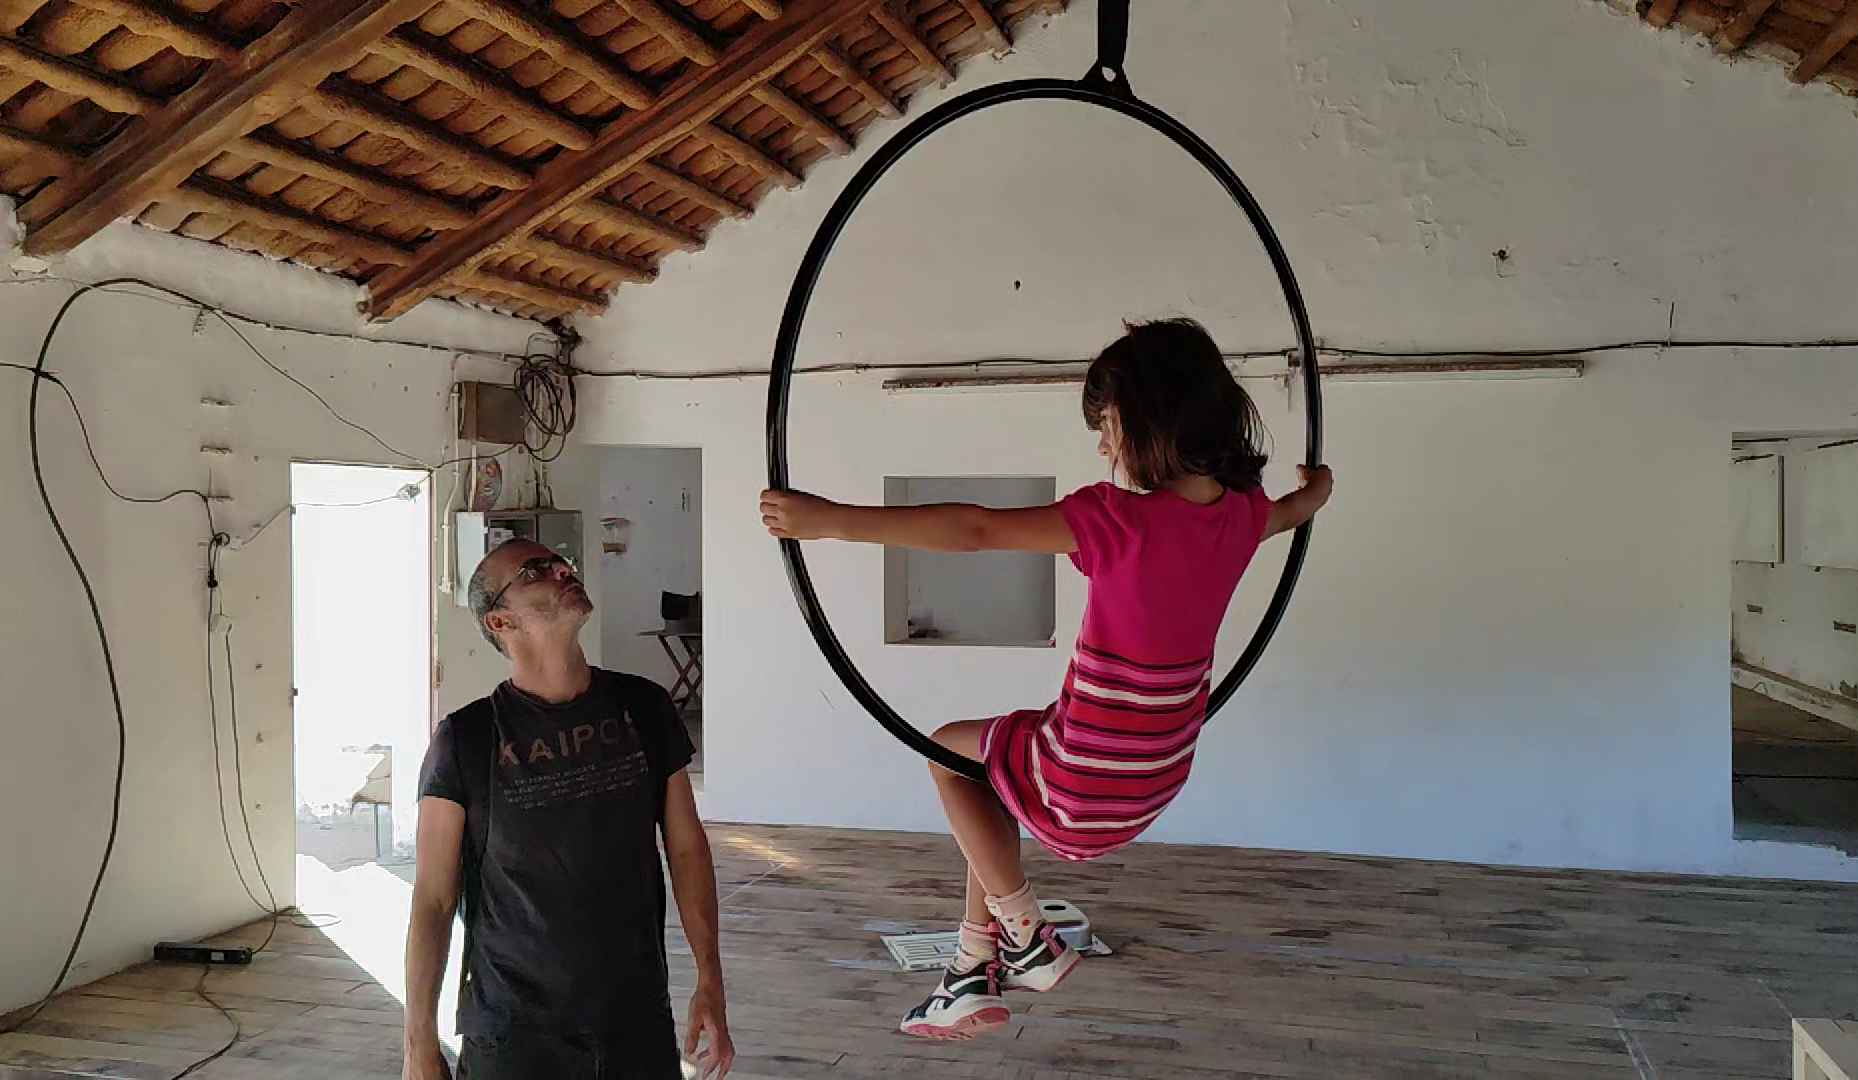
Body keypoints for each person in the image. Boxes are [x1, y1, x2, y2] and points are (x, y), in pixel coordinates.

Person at [760, 318, 1334, 1040]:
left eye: (1109, 425)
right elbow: (1290, 512)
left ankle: (1027, 933)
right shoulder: (1244, 515)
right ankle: (972, 967)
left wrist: (831, 521)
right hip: (1154, 778)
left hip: (1084, 778)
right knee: (996, 766)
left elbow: (976, 530)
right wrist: (1319, 489)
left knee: (946, 752)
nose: (1104, 446)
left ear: (1152, 417)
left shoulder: (1120, 521)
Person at [402, 539, 734, 1078]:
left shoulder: (645, 707)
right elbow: (434, 900)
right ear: (500, 622)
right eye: (536, 570)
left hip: (636, 1019)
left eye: (561, 563)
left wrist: (710, 981)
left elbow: (687, 851)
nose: (561, 569)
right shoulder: (467, 739)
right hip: (513, 1034)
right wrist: (418, 1045)